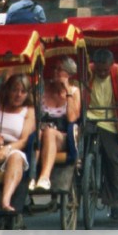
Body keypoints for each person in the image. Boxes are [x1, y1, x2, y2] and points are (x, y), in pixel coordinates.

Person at [84, 47, 118, 222]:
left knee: (112, 160)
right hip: (89, 118)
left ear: (111, 66)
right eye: (99, 70)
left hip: (111, 121)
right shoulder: (88, 71)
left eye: (106, 70)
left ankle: (114, 204)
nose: (102, 73)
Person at [31, 57, 79, 192]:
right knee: (40, 134)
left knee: (49, 133)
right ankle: (31, 177)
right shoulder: (42, 89)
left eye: (59, 70)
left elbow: (72, 118)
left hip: (63, 136)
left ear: (68, 74)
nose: (55, 73)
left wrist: (67, 91)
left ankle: (45, 177)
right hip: (41, 132)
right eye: (54, 69)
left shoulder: (75, 91)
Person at [0, 73, 35, 213]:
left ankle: (5, 201)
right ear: (8, 90)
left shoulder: (29, 111)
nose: (18, 95)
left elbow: (24, 140)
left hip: (14, 147)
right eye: (15, 90)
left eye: (23, 91)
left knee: (16, 158)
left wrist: (7, 149)